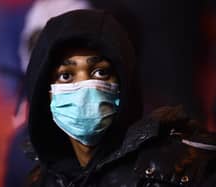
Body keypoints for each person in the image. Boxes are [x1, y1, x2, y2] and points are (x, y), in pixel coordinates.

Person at [24, 10, 216, 186]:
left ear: (124, 81)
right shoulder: (41, 180)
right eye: (66, 75)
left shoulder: (176, 169)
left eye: (100, 72)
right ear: (45, 91)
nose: (84, 89)